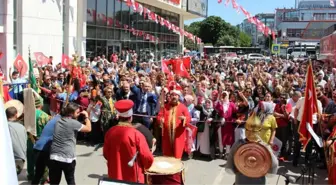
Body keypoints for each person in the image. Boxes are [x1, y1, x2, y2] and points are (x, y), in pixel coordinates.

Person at [103, 100, 154, 183]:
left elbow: (106, 154)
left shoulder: (110, 132)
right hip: (133, 176)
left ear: (118, 116)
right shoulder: (136, 134)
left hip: (114, 174)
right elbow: (148, 158)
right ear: (131, 117)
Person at [226, 113, 278, 185]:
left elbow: (273, 164)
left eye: (253, 131)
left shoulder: (263, 147)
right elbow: (274, 165)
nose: (250, 133)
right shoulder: (264, 147)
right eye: (248, 130)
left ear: (259, 131)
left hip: (252, 180)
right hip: (244, 180)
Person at [49, 103, 91, 185]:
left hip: (54, 157)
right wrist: (86, 117)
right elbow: (88, 129)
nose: (79, 114)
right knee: (70, 180)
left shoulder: (58, 121)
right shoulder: (73, 123)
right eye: (77, 112)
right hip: (67, 158)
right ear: (71, 113)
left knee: (54, 182)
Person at [157, 82, 191, 159]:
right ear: (170, 96)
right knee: (167, 156)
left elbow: (188, 117)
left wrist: (184, 119)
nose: (174, 97)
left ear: (178, 96)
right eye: (172, 95)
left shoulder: (183, 107)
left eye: (175, 95)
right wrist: (160, 120)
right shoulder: (165, 107)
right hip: (167, 135)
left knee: (177, 155)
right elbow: (159, 116)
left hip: (178, 135)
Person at [32, 115, 61, 185]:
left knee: (38, 173)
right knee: (54, 172)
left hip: (38, 147)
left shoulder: (55, 118)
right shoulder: (61, 121)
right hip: (46, 149)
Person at [27, 97, 50, 181]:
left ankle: (31, 175)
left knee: (30, 158)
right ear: (41, 104)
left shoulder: (28, 114)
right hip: (41, 141)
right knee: (42, 161)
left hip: (30, 139)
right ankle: (43, 178)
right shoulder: (45, 115)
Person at [6, 106, 27, 175]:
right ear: (16, 115)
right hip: (20, 159)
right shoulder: (22, 127)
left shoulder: (4, 126)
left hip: (8, 159)